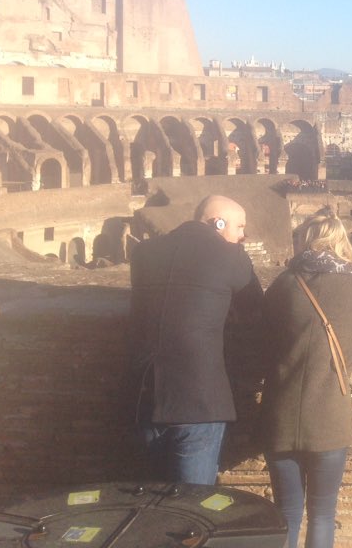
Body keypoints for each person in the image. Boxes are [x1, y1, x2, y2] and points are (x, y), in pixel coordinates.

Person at [260, 210, 352, 548]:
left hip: (279, 416)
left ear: (305, 241)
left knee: (285, 512)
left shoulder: (284, 284)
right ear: (341, 242)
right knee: (323, 513)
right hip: (329, 420)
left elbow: (262, 335)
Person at [129, 194, 262, 485]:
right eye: (239, 227)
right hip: (199, 400)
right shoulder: (232, 257)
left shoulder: (143, 253)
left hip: (144, 396)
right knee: (194, 507)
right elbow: (254, 310)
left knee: (151, 502)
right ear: (218, 222)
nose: (243, 235)